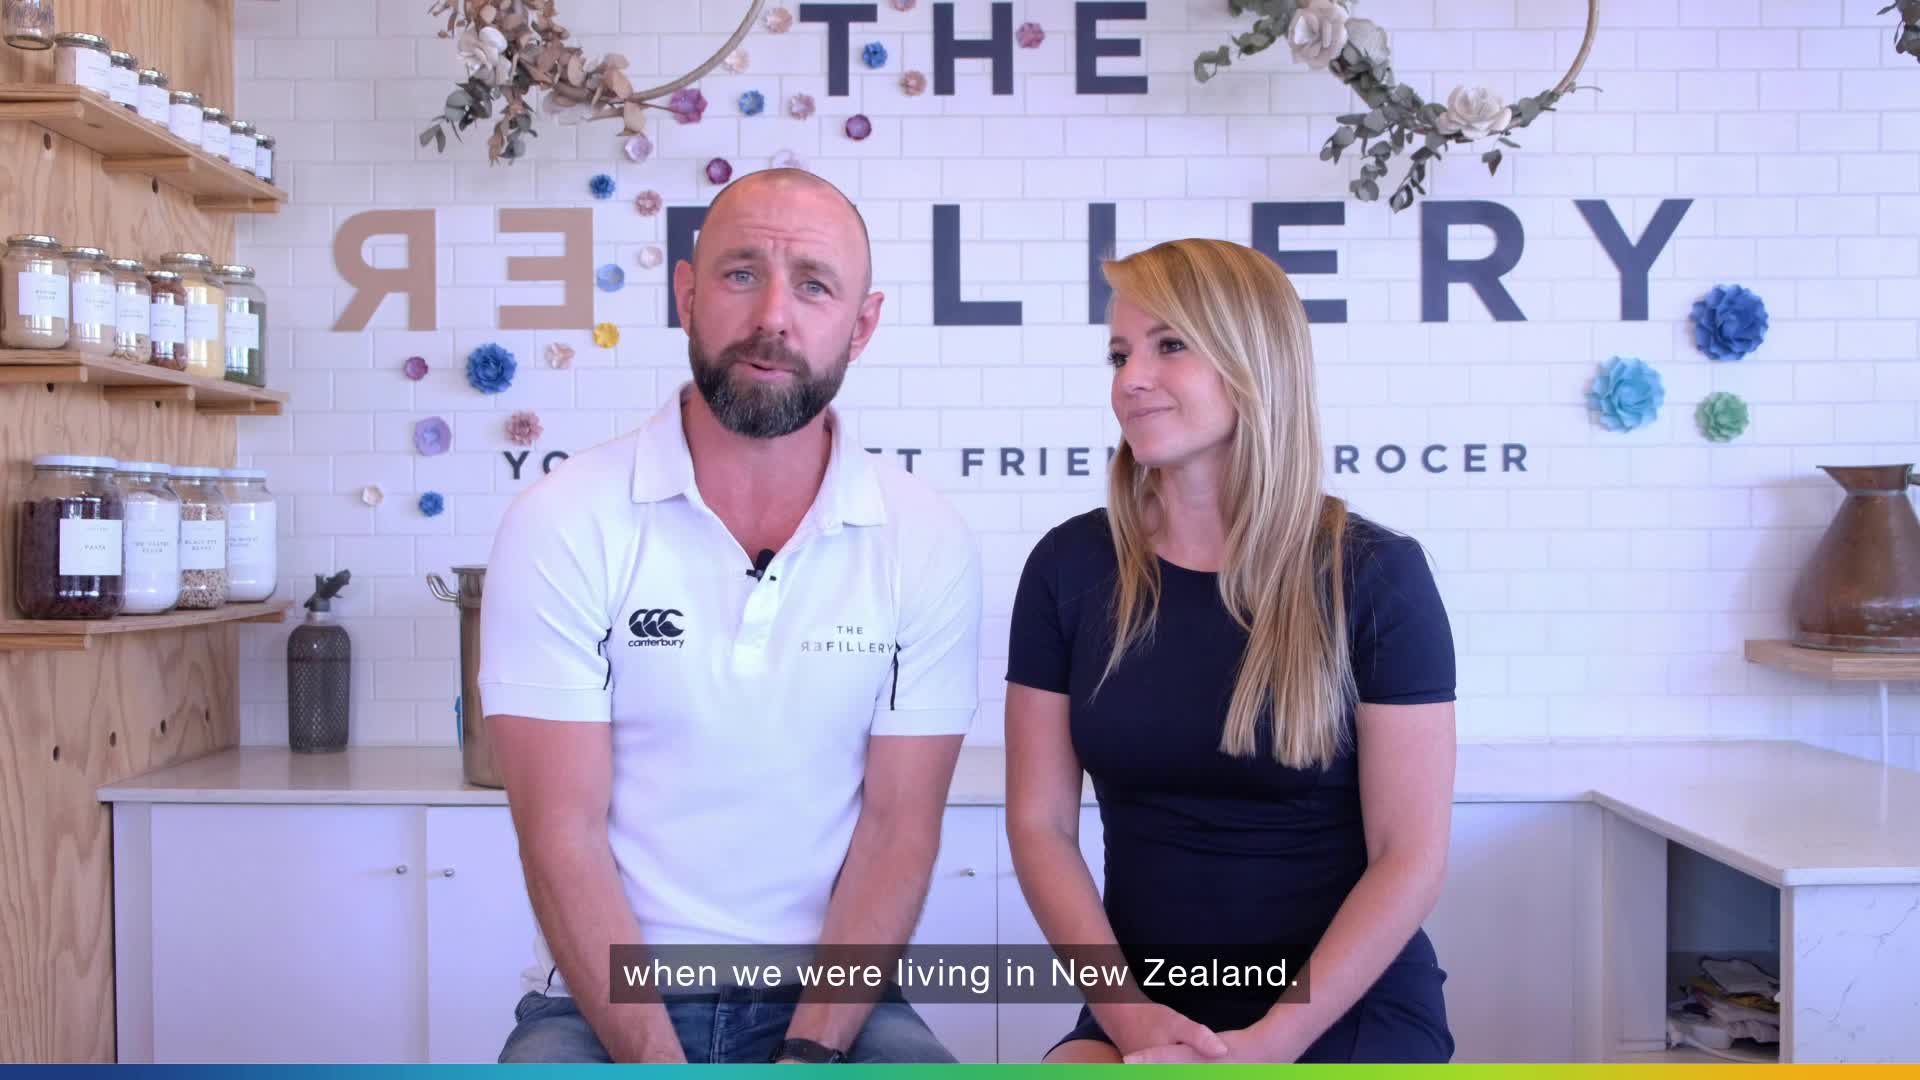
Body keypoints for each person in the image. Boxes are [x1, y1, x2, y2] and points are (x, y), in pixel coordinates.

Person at [478, 169, 982, 1064]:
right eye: (741, 274)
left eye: (814, 285)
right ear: (686, 295)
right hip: (603, 999)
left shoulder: (924, 536)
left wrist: (812, 1052)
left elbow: (898, 830)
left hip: (833, 1000)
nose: (772, 316)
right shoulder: (564, 518)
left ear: (861, 326)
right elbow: (561, 835)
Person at [1004, 238, 1457, 1064]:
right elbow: (1041, 826)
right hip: (1146, 1008)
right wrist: (1132, 1020)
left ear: (1254, 363)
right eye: (1120, 354)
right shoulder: (1067, 568)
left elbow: (1409, 858)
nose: (1130, 379)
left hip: (1341, 1011)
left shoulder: (1376, 576)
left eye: (1169, 345)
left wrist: (1272, 1042)